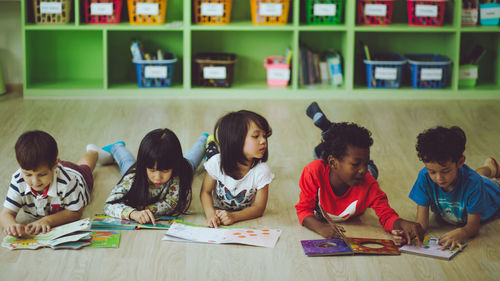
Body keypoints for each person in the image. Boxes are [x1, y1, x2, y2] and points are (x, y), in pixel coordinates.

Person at [296, 102, 423, 241]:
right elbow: (303, 210)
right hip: (327, 162)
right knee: (320, 155)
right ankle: (327, 129)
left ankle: (329, 130)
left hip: (354, 170)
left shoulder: (368, 182)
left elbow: (386, 215)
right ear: (333, 163)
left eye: (365, 162)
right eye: (356, 164)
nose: (362, 170)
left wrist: (401, 223)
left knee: (371, 172)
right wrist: (321, 228)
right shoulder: (313, 172)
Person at [394, 126, 500, 250]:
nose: (439, 178)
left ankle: (491, 169)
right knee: (477, 176)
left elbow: (473, 227)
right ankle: (491, 168)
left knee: (480, 178)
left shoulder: (474, 183)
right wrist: (410, 233)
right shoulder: (424, 177)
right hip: (473, 179)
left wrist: (462, 232)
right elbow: (421, 224)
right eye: (432, 171)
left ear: (460, 162)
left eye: (445, 171)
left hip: (492, 192)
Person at [0, 130, 111, 237]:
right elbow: (5, 214)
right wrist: (11, 225)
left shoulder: (68, 182)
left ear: (55, 165)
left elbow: (75, 212)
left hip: (78, 177)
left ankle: (93, 151)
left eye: (42, 175)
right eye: (28, 175)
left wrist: (47, 220)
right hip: (54, 169)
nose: (35, 182)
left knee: (85, 167)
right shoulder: (18, 180)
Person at [102, 129, 207, 225]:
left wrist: (145, 210)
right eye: (152, 170)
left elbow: (171, 204)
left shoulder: (178, 173)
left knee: (191, 162)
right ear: (144, 165)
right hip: (137, 175)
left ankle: (205, 140)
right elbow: (108, 205)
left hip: (183, 167)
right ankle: (117, 147)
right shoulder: (132, 177)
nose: (157, 177)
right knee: (127, 163)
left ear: (174, 165)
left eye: (165, 170)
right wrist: (132, 213)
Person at [200, 110, 274, 228]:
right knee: (211, 154)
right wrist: (210, 215)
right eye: (256, 136)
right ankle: (208, 142)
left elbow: (259, 208)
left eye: (264, 136)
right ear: (235, 139)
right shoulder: (216, 163)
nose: (263, 140)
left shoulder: (262, 171)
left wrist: (234, 217)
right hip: (219, 157)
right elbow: (205, 192)